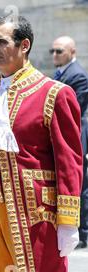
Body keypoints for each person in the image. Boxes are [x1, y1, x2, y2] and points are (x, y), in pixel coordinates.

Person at [0, 16, 82, 272]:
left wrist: (69, 221)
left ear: (24, 45)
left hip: (35, 212)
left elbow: (69, 161)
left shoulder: (54, 93)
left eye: (1, 41)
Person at [51, 36, 88, 249]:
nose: (55, 55)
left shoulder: (78, 76)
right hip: (62, 134)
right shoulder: (62, 73)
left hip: (75, 136)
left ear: (72, 52)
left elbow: (76, 110)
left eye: (59, 51)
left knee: (78, 185)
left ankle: (82, 232)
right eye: (52, 51)